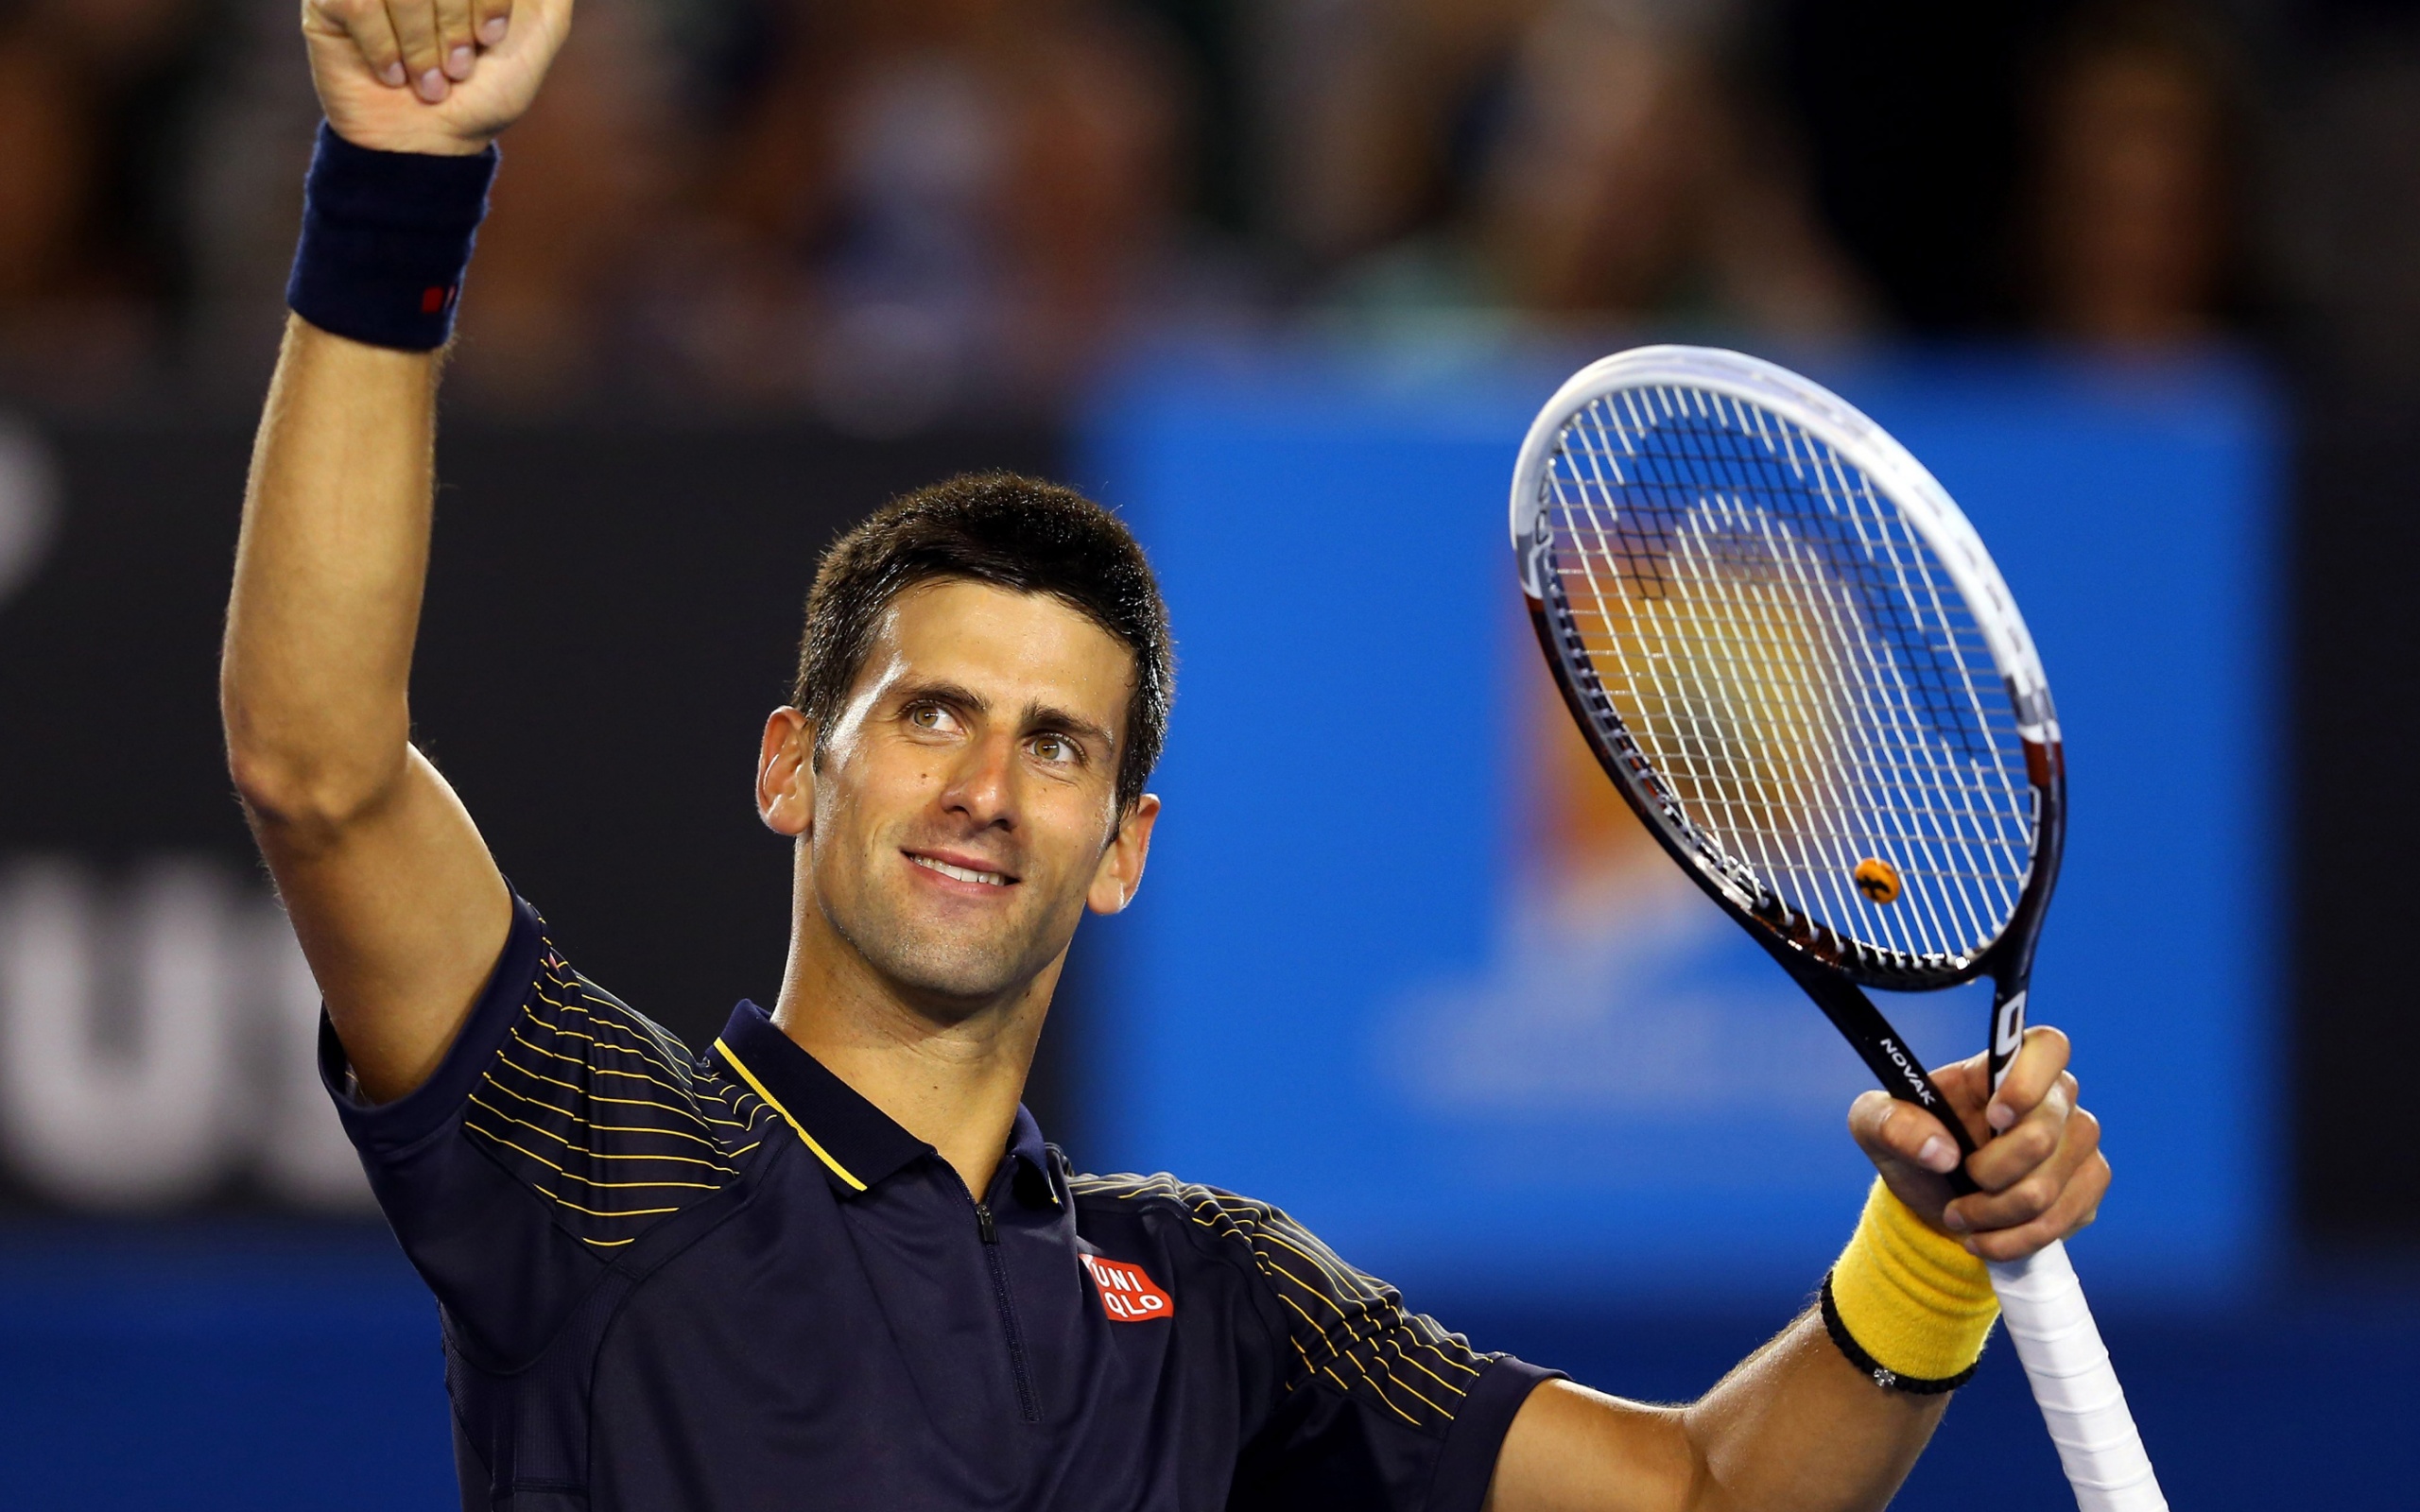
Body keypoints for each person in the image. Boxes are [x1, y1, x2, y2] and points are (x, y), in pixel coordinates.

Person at [221, 2, 2113, 1508]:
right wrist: (400, 184)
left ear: (1121, 845)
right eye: (932, 713)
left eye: (1056, 745)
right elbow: (320, 765)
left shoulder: (1221, 1300)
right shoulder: (608, 1154)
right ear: (793, 765)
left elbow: (1702, 1493)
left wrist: (1928, 1244)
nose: (984, 785)